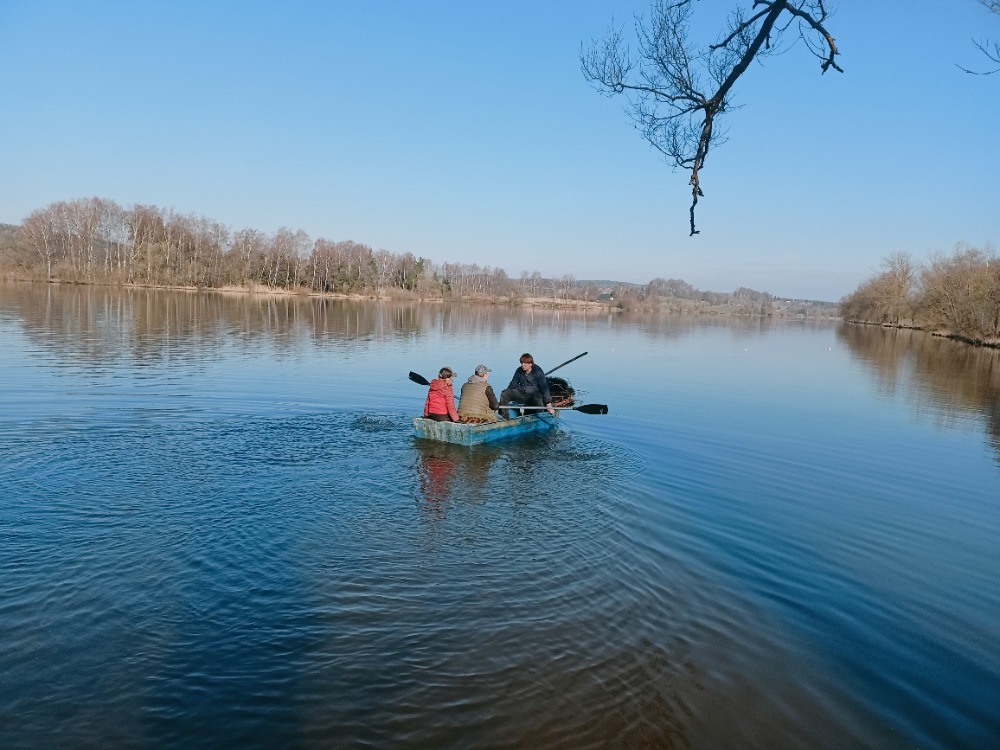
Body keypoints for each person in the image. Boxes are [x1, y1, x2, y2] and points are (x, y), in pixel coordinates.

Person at [499, 352, 555, 419]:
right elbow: (513, 385)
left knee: (538, 399)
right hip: (521, 394)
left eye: (525, 363)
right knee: (504, 393)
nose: (523, 365)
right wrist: (504, 399)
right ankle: (505, 417)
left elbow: (544, 388)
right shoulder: (519, 370)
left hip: (534, 396)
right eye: (522, 363)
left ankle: (540, 417)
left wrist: (548, 404)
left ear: (530, 364)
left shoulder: (538, 371)